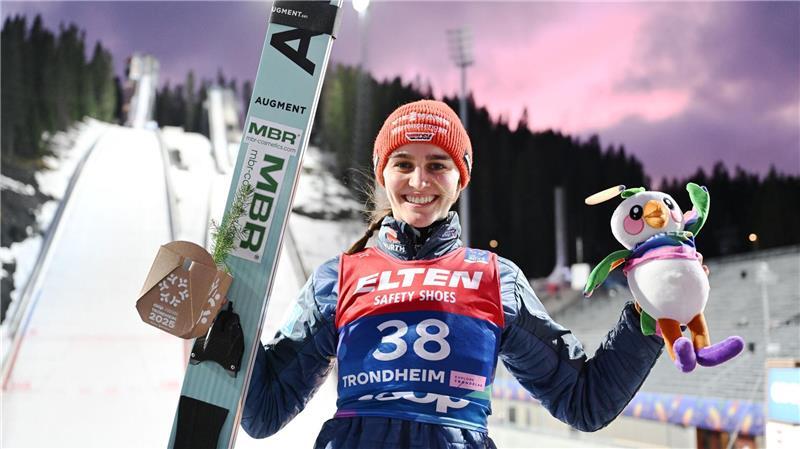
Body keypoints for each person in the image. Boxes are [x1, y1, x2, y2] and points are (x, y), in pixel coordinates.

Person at [242, 100, 664, 449]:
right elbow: (264, 411)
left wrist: (651, 313)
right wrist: (226, 325)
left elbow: (584, 402)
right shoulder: (338, 279)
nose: (418, 180)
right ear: (382, 174)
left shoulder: (496, 280)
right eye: (403, 163)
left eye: (437, 165)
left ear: (460, 179)